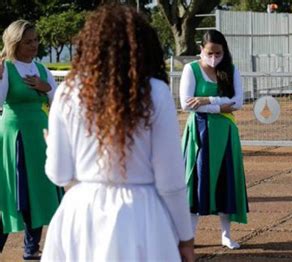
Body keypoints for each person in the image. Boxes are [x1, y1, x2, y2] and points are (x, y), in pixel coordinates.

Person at [41, 5, 194, 261]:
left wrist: (50, 148)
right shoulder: (156, 93)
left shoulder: (68, 92)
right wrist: (185, 238)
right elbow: (171, 180)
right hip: (140, 215)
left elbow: (59, 174)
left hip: (80, 216)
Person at [180, 29, 248, 249]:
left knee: (225, 181)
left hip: (226, 132)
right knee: (196, 181)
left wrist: (206, 100)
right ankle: (189, 236)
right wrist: (220, 105)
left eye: (218, 53)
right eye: (210, 53)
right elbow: (186, 103)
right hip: (199, 133)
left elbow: (238, 102)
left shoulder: (231, 70)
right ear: (201, 49)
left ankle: (226, 234)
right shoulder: (191, 69)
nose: (214, 57)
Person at [0, 20, 62, 260]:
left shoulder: (42, 69)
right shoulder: (6, 67)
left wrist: (46, 87)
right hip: (15, 138)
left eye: (36, 40)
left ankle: (31, 249)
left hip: (41, 138)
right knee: (16, 195)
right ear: (15, 43)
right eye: (28, 41)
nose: (34, 45)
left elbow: (59, 103)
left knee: (38, 194)